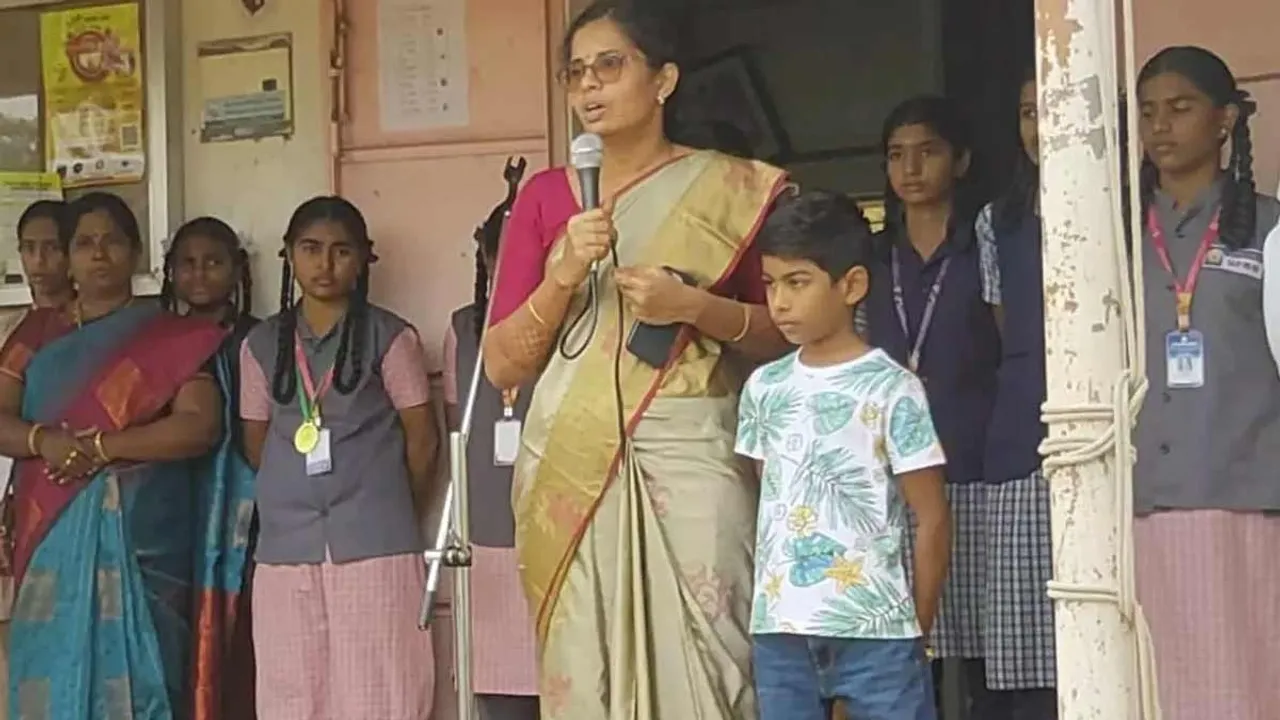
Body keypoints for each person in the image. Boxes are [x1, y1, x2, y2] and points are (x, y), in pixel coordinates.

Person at [481, 1, 790, 715]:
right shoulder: (547, 198)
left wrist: (695, 310)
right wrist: (561, 275)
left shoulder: (731, 192)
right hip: (570, 457)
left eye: (610, 66)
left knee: (712, 661)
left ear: (664, 80)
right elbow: (502, 366)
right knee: (586, 669)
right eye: (576, 73)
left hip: (692, 451)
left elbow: (781, 335)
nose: (589, 87)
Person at [0, 191, 246, 718]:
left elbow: (200, 426)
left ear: (135, 253)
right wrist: (47, 441)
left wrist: (100, 446)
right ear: (67, 255)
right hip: (50, 530)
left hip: (144, 538)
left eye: (112, 241)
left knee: (144, 682)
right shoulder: (35, 335)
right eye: (85, 243)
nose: (99, 253)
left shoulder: (170, 336)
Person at [741, 189, 950, 720]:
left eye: (798, 282)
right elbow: (770, 502)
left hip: (878, 633)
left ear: (852, 285)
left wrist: (913, 633)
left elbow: (930, 518)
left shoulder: (893, 389)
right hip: (782, 632)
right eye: (770, 284)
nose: (780, 302)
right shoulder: (763, 388)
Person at [240, 195, 438, 720]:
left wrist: (388, 506)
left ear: (363, 260)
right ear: (288, 255)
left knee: (381, 686)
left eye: (340, 251)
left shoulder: (392, 337)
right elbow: (256, 442)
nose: (325, 265)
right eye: (310, 249)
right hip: (287, 548)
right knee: (293, 690)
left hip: (375, 543)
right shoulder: (260, 345)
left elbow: (423, 438)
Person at [1132, 46, 1280, 720]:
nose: (1161, 126)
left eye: (1180, 108)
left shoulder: (1270, 229)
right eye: (1149, 113)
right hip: (1138, 503)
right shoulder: (1113, 235)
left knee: (1245, 686)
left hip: (1243, 494)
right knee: (1155, 689)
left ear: (1224, 121)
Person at [863, 95, 1000, 713]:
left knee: (979, 646)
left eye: (928, 152)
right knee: (902, 645)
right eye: (897, 155)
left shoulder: (983, 245)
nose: (911, 168)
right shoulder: (871, 257)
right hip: (890, 473)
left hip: (974, 460)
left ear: (962, 160)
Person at [973, 66, 1058, 719]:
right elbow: (1008, 326)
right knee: (1023, 619)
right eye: (1028, 113)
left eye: (1052, 108)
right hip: (1020, 414)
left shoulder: (1126, 201)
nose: (1039, 126)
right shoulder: (995, 220)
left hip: (1104, 413)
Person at [441, 160, 540, 719]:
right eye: (504, 253)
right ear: (485, 256)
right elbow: (458, 424)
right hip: (485, 538)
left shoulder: (578, 324)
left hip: (559, 537)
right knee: (500, 698)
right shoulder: (461, 330)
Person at [160, 215, 260, 719]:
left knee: (243, 642)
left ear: (237, 269)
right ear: (170, 271)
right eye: (188, 264)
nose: (200, 275)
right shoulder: (152, 342)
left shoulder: (262, 339)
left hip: (248, 514)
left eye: (214, 262)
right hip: (174, 508)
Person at [0, 199, 74, 720]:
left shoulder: (99, 328)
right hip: (24, 500)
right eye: (30, 247)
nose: (41, 260)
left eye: (52, 247)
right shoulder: (20, 329)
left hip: (80, 495)